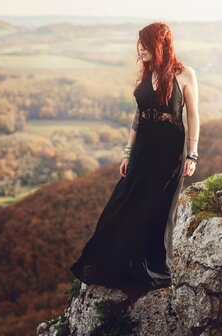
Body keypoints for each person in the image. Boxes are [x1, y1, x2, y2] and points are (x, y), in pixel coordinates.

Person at [69, 22, 200, 293]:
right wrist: (128, 152)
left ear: (159, 45)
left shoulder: (185, 74)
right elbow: (139, 115)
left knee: (161, 210)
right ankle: (117, 265)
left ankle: (158, 273)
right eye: (139, 45)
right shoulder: (147, 73)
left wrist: (193, 154)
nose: (139, 50)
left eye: (144, 44)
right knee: (125, 203)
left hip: (169, 152)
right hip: (143, 150)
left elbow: (193, 115)